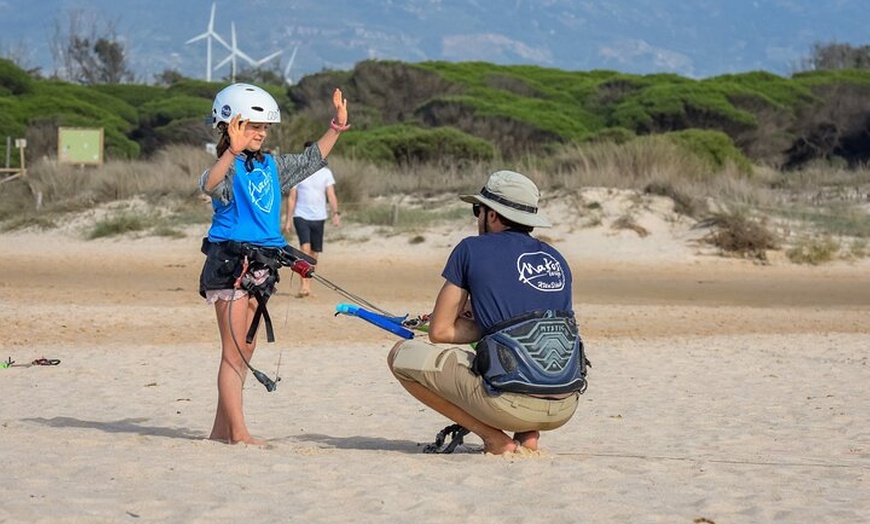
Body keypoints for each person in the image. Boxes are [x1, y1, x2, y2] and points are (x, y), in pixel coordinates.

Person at [387, 170, 588, 455]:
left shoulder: (471, 249)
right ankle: (529, 435)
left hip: (509, 404)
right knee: (530, 351)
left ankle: (494, 438)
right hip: (564, 406)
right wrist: (491, 320)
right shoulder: (556, 258)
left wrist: (480, 323)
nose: (477, 216)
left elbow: (440, 331)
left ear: (492, 214)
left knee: (399, 355)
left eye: (477, 209)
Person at [198, 83, 350, 445]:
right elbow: (209, 184)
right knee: (233, 354)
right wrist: (231, 152)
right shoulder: (228, 168)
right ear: (229, 124)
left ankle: (221, 430)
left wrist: (336, 128)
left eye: (265, 127)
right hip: (230, 264)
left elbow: (312, 159)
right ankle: (238, 434)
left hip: (264, 265)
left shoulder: (272, 166)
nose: (262, 133)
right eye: (253, 126)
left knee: (245, 351)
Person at [282, 146, 341, 297]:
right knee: (305, 249)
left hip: (319, 217)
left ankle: (310, 283)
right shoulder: (298, 173)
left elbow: (331, 194)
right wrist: (288, 220)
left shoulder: (326, 173)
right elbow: (292, 197)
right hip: (301, 216)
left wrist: (335, 213)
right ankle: (303, 285)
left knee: (314, 253)